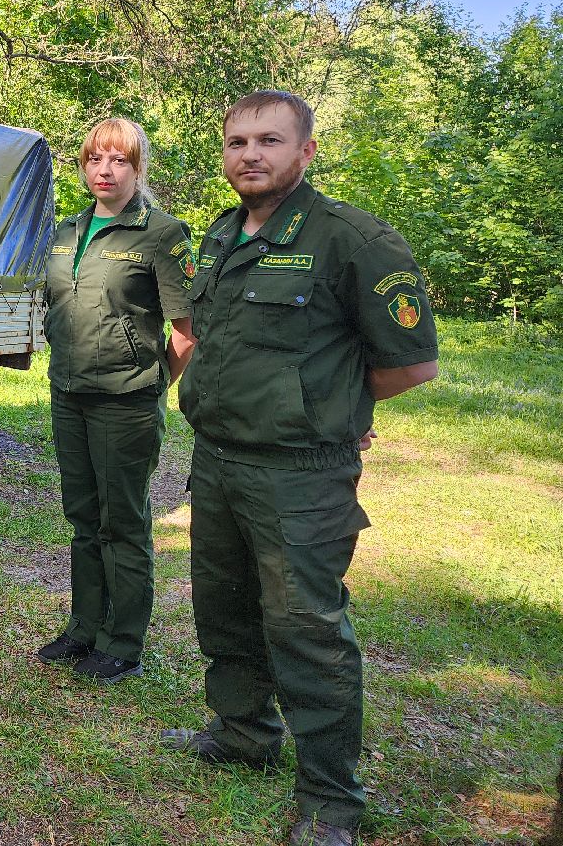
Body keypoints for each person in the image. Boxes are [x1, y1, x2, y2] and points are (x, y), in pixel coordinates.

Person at [165, 91, 439, 846]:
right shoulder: (221, 235)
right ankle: (242, 734)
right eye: (237, 142)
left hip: (301, 477)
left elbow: (411, 366)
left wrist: (332, 409)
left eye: (269, 141)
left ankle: (329, 801)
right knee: (223, 611)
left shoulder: (351, 238)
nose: (249, 155)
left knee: (307, 631)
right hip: (217, 462)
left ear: (306, 151)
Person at [36, 117, 196, 683]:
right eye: (94, 159)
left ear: (138, 167)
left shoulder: (162, 234)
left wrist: (153, 382)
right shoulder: (64, 231)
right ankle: (84, 626)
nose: (105, 170)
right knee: (82, 516)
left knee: (121, 523)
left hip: (125, 402)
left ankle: (123, 640)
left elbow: (186, 328)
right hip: (69, 394)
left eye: (119, 160)